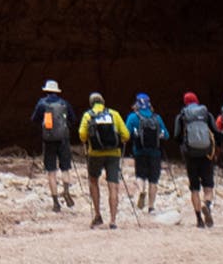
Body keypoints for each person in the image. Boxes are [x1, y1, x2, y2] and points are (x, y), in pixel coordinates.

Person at [76, 92, 126, 229]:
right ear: (103, 102)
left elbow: (82, 135)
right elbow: (126, 134)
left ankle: (97, 215)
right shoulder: (114, 114)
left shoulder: (88, 115)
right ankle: (113, 220)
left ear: (91, 103)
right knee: (113, 185)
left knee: (93, 180)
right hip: (114, 154)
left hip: (95, 154)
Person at [174, 91, 218, 227]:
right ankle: (207, 204)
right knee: (208, 186)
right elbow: (215, 131)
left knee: (194, 188)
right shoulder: (206, 114)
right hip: (206, 153)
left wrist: (183, 147)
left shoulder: (182, 116)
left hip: (190, 154)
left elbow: (176, 135)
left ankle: (199, 219)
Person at [30, 79, 75, 211]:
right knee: (65, 168)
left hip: (49, 140)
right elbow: (73, 119)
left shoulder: (42, 104)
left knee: (51, 171)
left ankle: (55, 202)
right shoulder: (64, 103)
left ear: (46, 91)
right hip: (63, 139)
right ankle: (66, 190)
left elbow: (34, 119)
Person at [123, 93, 167, 214]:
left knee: (140, 175)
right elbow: (166, 135)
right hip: (155, 153)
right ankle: (151, 207)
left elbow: (126, 134)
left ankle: (141, 190)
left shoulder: (133, 117)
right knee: (153, 180)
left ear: (137, 104)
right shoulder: (157, 118)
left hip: (139, 151)